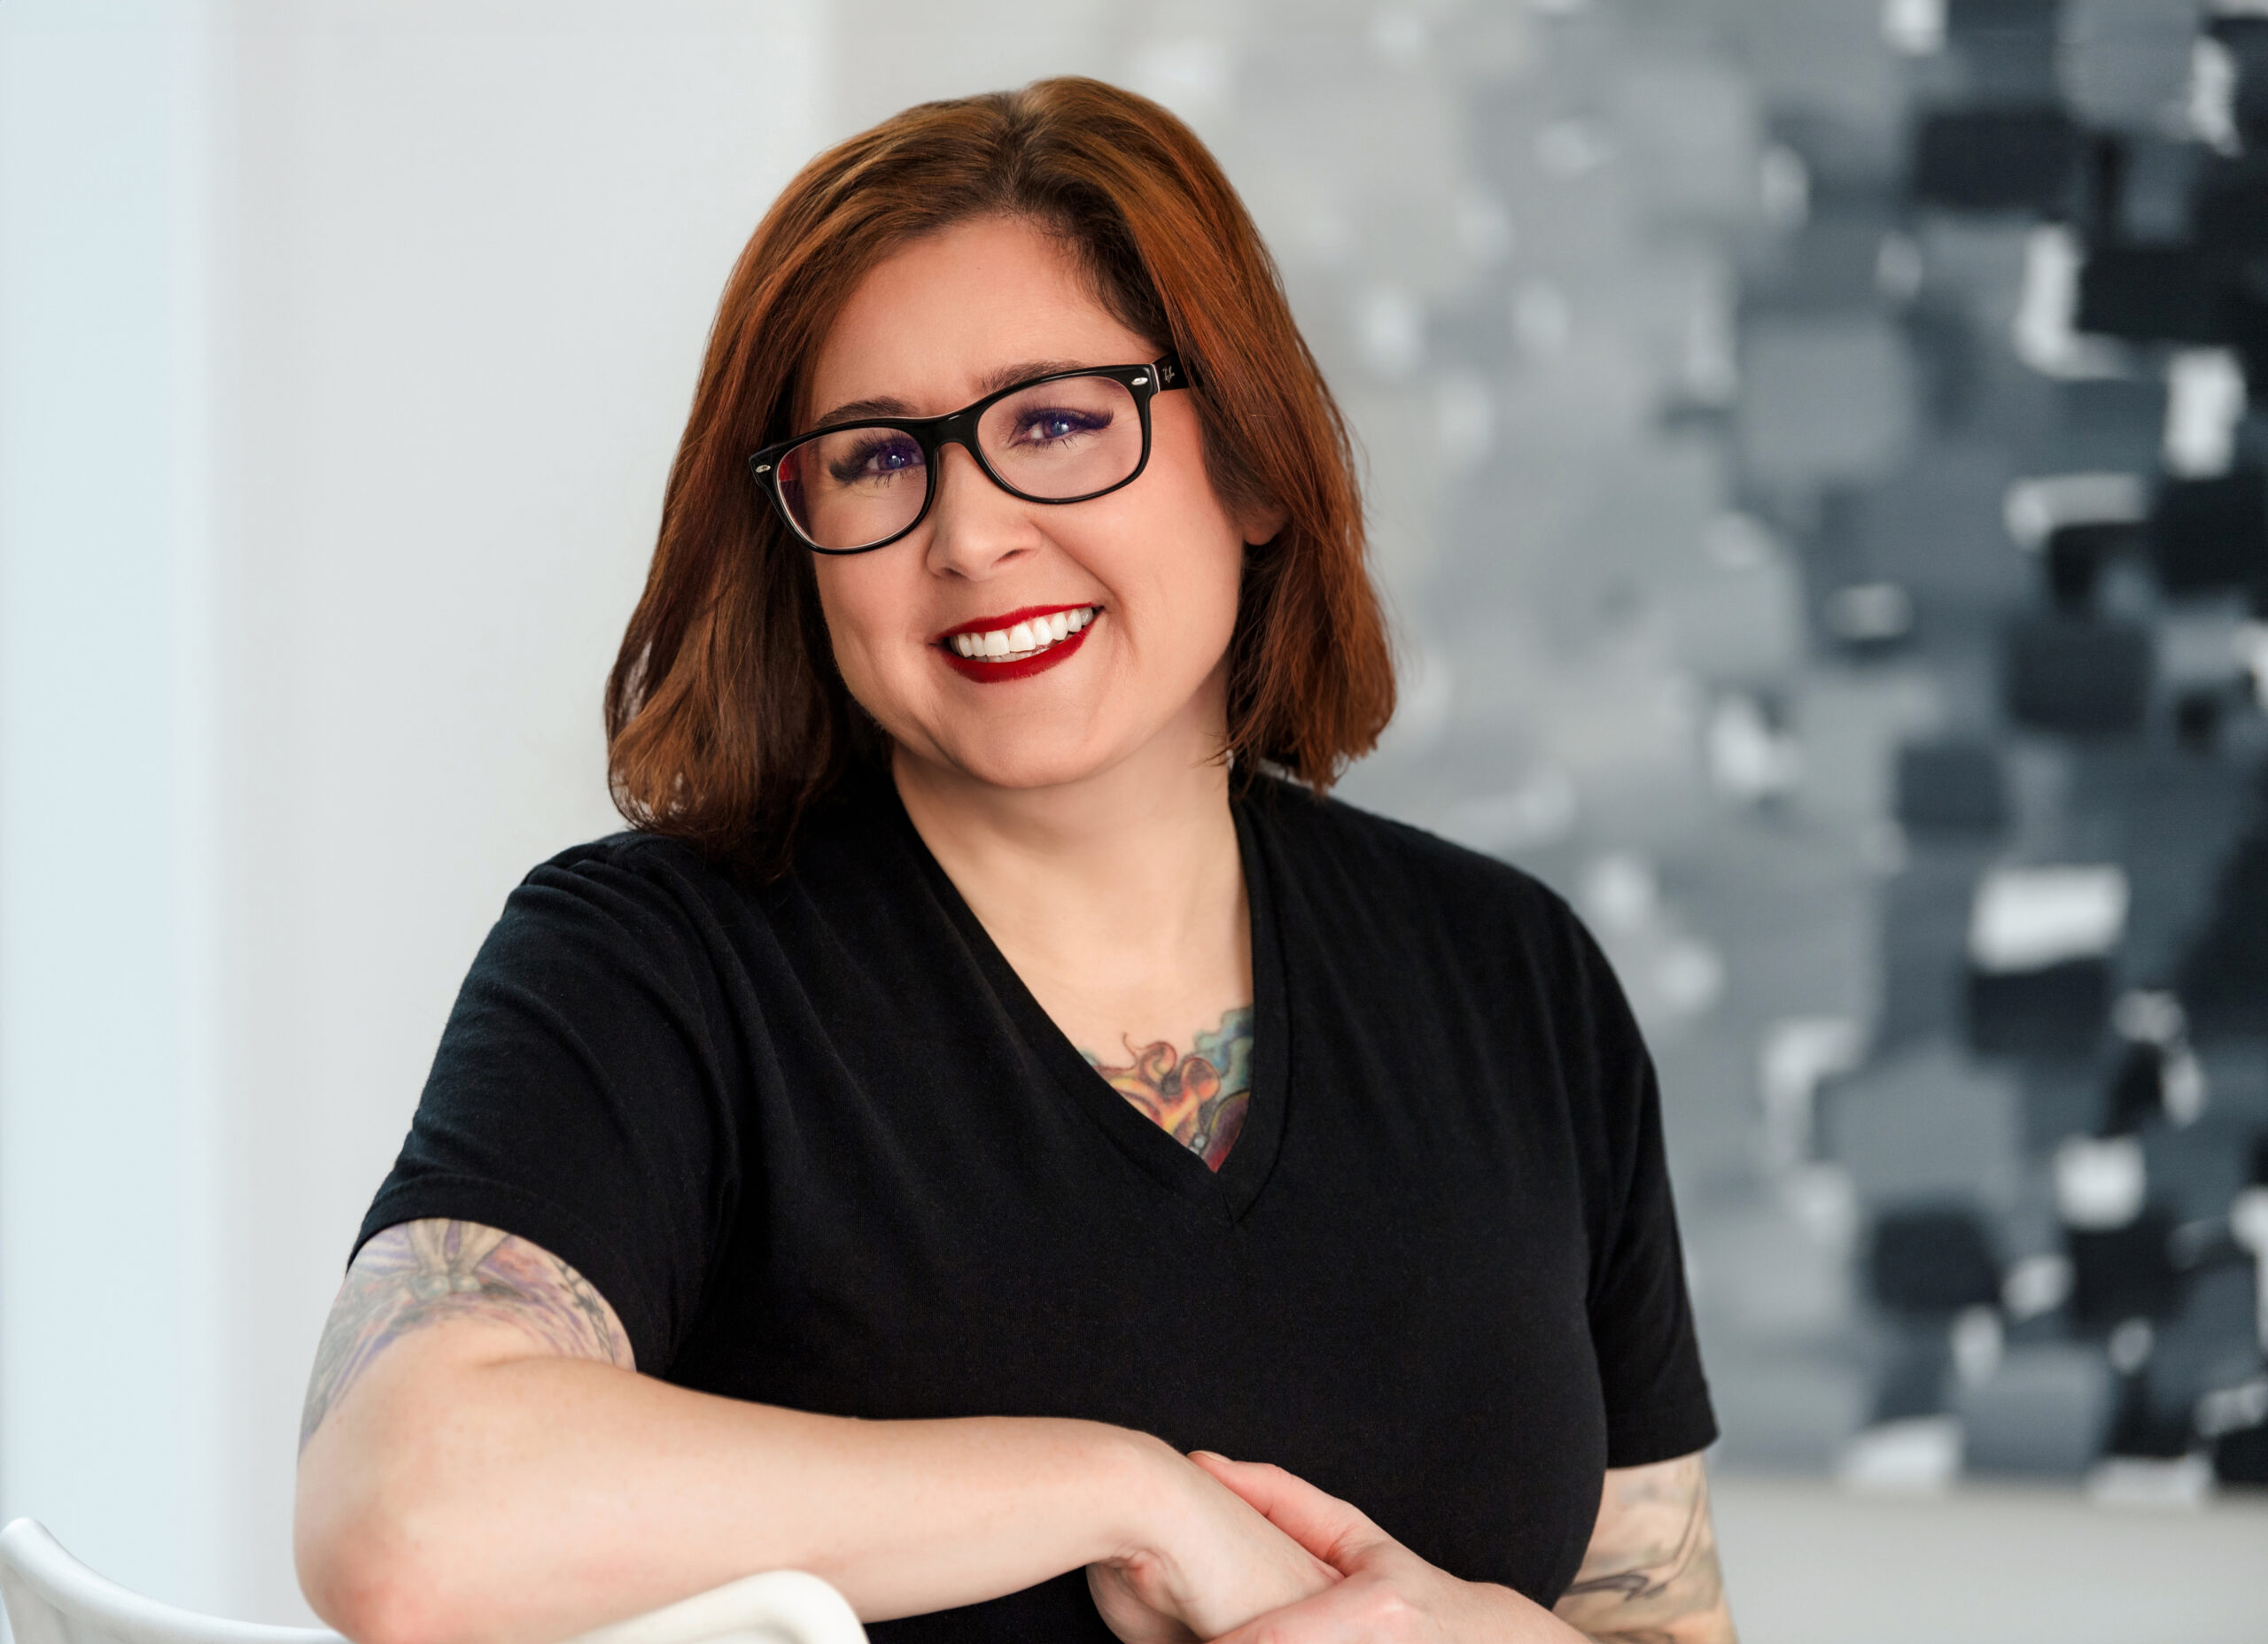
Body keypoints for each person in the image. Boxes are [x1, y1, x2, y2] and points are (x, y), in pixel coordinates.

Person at [291, 77, 1733, 1644]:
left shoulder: (1514, 977)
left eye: (1055, 423)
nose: (968, 533)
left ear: (1251, 461)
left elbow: (1653, 1613)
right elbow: (405, 1520)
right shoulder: (654, 964)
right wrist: (1122, 1495)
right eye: (873, 458)